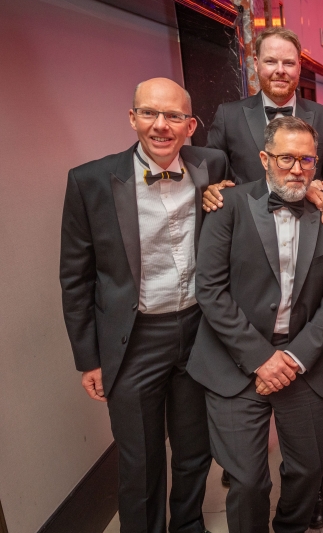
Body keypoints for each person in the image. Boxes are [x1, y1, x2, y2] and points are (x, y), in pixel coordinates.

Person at [60, 78, 226, 533]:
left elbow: (256, 199)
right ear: (132, 118)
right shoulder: (90, 180)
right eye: (149, 113)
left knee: (194, 448)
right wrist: (88, 358)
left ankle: (188, 524)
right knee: (140, 460)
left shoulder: (212, 164)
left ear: (190, 125)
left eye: (173, 115)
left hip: (199, 330)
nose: (161, 125)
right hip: (133, 340)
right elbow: (75, 277)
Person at [187, 117, 323, 533]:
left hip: (302, 358)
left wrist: (293, 358)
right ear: (264, 158)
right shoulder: (226, 205)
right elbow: (210, 290)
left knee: (309, 468)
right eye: (285, 158)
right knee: (247, 481)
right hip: (234, 358)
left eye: (306, 160)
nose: (297, 169)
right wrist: (261, 358)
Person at [202, 27, 323, 216]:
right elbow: (212, 180)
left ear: (299, 66)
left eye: (288, 63)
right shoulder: (228, 116)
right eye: (270, 61)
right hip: (247, 226)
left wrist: (309, 189)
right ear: (256, 63)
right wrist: (211, 190)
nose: (280, 70)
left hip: (306, 224)